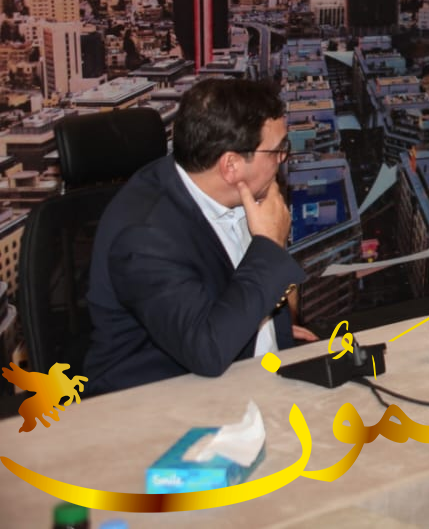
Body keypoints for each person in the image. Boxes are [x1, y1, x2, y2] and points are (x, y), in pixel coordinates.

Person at [84, 79, 315, 394]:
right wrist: (271, 245)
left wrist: (272, 331)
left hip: (243, 374)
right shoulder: (143, 236)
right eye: (277, 150)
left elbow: (232, 291)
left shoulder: (234, 191)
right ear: (230, 165)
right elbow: (207, 350)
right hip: (158, 402)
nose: (282, 159)